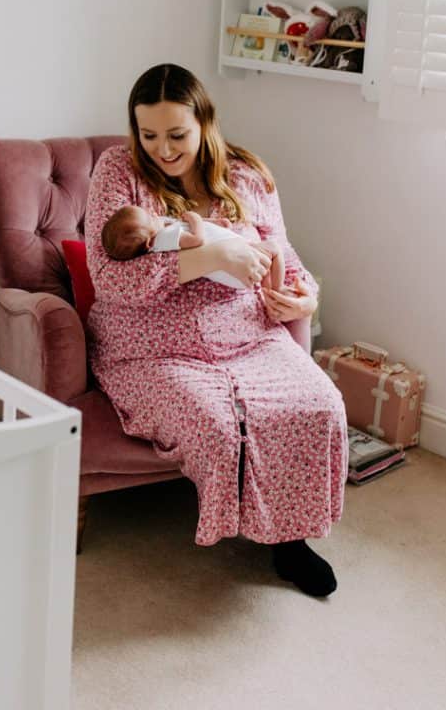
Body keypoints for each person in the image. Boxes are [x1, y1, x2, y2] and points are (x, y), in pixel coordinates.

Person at [84, 64, 348, 598]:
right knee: (216, 426)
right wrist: (210, 256)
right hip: (152, 347)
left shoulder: (247, 174)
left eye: (177, 134)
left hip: (250, 334)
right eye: (148, 134)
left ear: (205, 122)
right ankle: (237, 523)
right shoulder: (118, 171)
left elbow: (285, 254)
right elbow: (107, 277)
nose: (162, 149)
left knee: (321, 406)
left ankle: (290, 541)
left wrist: (306, 296)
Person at [100, 204, 285, 292]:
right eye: (150, 219)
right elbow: (196, 239)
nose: (155, 215)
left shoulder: (161, 231)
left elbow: (188, 227)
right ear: (149, 243)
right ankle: (278, 290)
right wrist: (196, 217)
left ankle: (271, 291)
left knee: (268, 257)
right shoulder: (164, 239)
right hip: (236, 267)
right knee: (274, 249)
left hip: (238, 258)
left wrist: (214, 222)